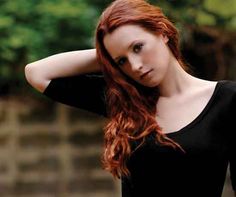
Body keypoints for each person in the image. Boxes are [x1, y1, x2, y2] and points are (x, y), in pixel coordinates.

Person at [24, 0, 235, 196]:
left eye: (138, 47)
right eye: (122, 61)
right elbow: (37, 73)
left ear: (162, 32)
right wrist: (107, 57)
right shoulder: (125, 99)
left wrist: (119, 52)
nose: (135, 66)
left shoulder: (227, 99)